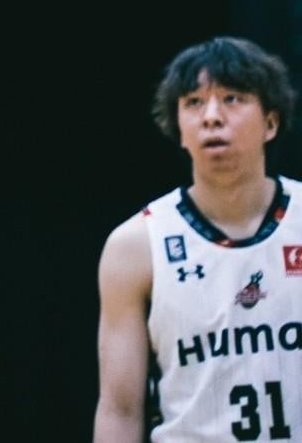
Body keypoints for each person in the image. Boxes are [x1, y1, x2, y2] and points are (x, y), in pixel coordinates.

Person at [94, 37, 301, 443]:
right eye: (193, 103)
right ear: (179, 131)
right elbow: (120, 409)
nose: (211, 117)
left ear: (271, 123)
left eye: (232, 99)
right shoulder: (135, 246)